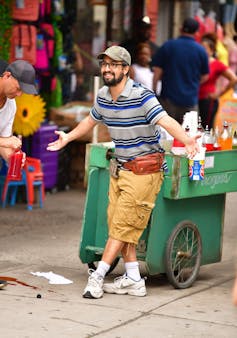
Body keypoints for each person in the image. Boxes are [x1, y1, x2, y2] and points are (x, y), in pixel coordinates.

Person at [47, 46, 200, 299]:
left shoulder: (142, 96)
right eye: (104, 64)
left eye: (113, 64)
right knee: (120, 228)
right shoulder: (104, 96)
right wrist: (68, 137)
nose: (107, 69)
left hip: (145, 171)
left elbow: (166, 121)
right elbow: (90, 121)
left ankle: (98, 277)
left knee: (122, 227)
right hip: (120, 170)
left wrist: (188, 140)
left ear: (125, 69)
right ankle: (133, 279)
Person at [152, 17, 209, 124]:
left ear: (180, 28)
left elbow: (157, 72)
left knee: (166, 134)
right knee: (189, 135)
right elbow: (205, 76)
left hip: (168, 99)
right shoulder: (201, 51)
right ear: (197, 32)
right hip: (190, 101)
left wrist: (154, 91)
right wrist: (194, 82)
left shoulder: (168, 46)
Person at [0, 60, 37, 162]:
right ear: (7, 76)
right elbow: (4, 142)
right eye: (18, 88)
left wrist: (12, 158)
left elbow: (4, 143)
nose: (19, 94)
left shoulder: (11, 106)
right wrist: (4, 142)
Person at [198, 33, 237, 129]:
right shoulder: (195, 61)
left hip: (207, 101)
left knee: (205, 128)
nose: (202, 51)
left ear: (211, 51)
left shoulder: (216, 64)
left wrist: (219, 94)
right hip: (192, 99)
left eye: (205, 48)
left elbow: (233, 79)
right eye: (200, 48)